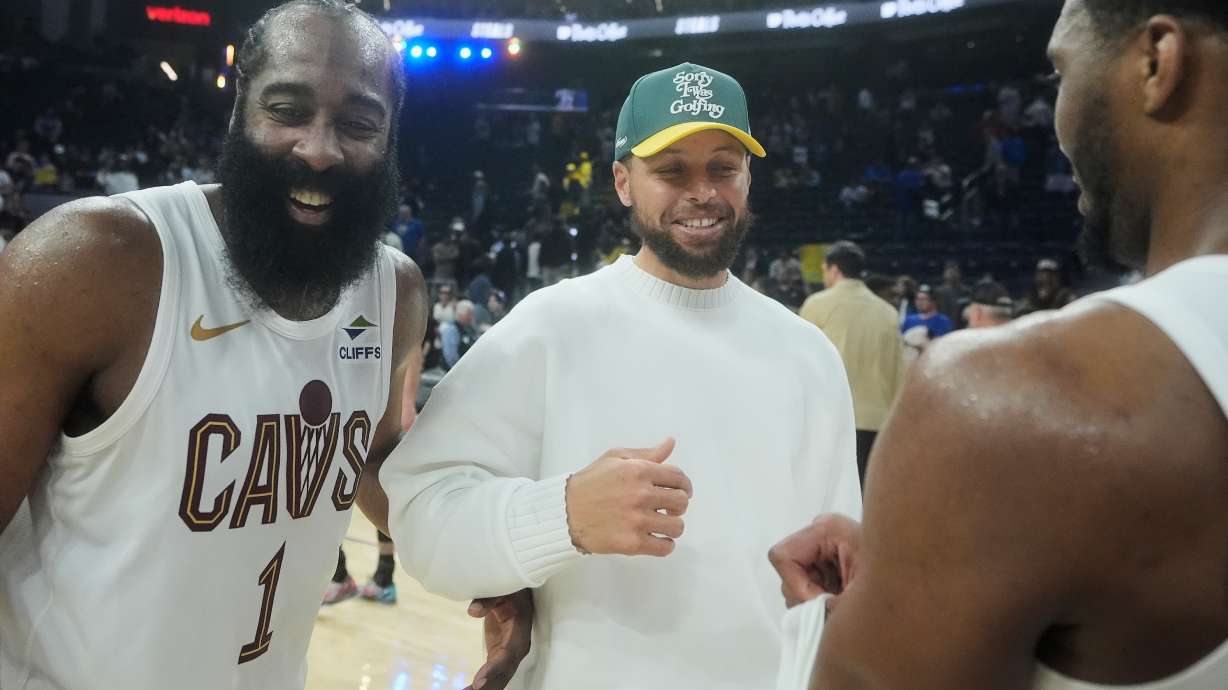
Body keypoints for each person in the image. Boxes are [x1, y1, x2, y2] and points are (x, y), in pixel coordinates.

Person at [0, 2, 519, 688]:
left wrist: (496, 567)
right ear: (238, 103)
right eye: (288, 109)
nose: (319, 147)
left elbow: (371, 463)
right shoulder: (96, 259)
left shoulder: (397, 293)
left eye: (358, 124)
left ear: (391, 135)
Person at [770, 1, 1228, 686]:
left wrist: (832, 626)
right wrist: (942, 553)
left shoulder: (1003, 401)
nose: (1057, 117)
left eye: (1061, 72)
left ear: (1157, 63)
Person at [380, 62, 861, 690]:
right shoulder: (552, 326)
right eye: (671, 170)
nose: (703, 192)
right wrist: (563, 515)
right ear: (623, 182)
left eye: (723, 166)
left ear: (748, 176)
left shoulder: (809, 356)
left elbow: (839, 573)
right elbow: (421, 515)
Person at [800, 241, 906, 488]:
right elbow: (898, 373)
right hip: (875, 423)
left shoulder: (817, 304)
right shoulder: (888, 312)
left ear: (834, 269)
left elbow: (801, 366)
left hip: (830, 420)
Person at [438, 299, 478, 370]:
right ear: (460, 314)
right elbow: (451, 356)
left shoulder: (470, 329)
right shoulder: (451, 329)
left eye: (472, 314)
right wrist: (460, 371)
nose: (471, 317)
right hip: (452, 371)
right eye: (469, 314)